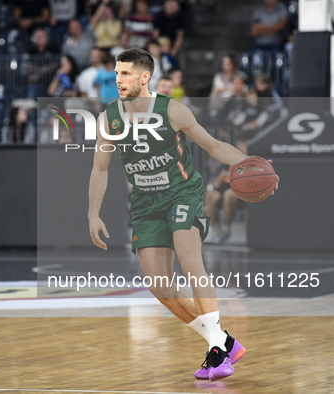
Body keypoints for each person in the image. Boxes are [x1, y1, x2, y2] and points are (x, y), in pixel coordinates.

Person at [88, 48, 279, 381]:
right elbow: (100, 169)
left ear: (144, 78)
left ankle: (218, 355)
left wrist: (250, 164)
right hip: (145, 203)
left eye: (125, 74)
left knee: (190, 263)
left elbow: (215, 147)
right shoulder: (109, 118)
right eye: (117, 73)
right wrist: (93, 213)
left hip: (182, 193)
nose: (117, 79)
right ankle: (222, 341)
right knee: (160, 287)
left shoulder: (172, 110)